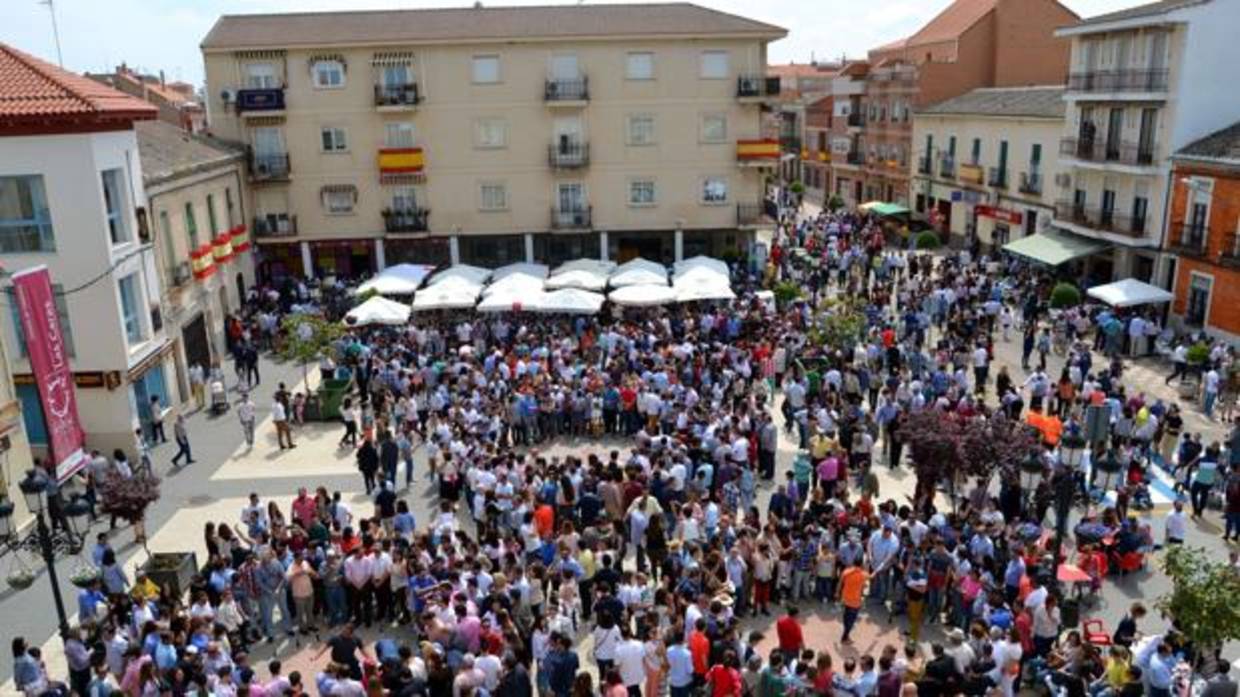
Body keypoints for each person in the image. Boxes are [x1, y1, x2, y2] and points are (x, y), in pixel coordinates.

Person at [838, 558, 869, 644]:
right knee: (851, 620)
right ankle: (844, 637)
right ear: (861, 564)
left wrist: (837, 593)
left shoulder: (846, 571)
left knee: (846, 616)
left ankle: (845, 634)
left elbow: (840, 583)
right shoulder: (863, 574)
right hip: (855, 601)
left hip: (845, 598)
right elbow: (868, 580)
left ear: (853, 563)